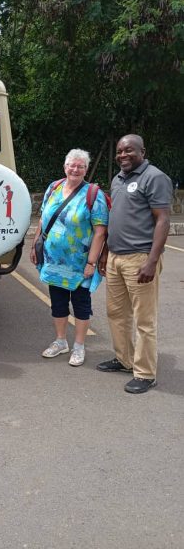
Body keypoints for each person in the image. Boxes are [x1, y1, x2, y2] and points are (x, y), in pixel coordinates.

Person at [97, 134, 172, 394]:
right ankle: (124, 359)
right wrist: (105, 252)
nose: (122, 155)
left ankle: (145, 373)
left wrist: (152, 260)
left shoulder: (155, 177)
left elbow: (163, 220)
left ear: (142, 151)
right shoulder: (118, 179)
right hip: (116, 257)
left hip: (140, 258)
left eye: (128, 150)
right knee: (116, 313)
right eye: (119, 151)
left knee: (143, 320)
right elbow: (115, 217)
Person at [30, 149, 109, 366]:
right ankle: (61, 341)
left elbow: (100, 231)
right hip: (54, 261)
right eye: (71, 165)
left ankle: (79, 346)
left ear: (86, 169)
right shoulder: (53, 188)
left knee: (81, 304)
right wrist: (35, 245)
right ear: (65, 167)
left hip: (80, 263)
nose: (75, 169)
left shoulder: (93, 194)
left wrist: (92, 262)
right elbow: (43, 219)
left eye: (80, 166)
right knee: (58, 303)